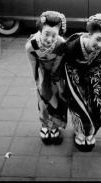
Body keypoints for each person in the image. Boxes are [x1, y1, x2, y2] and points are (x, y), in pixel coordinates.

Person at [55, 13, 101, 152]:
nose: (100, 45)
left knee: (96, 103)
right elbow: (60, 62)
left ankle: (91, 131)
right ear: (90, 34)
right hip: (72, 74)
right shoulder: (72, 46)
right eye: (98, 39)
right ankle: (80, 132)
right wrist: (60, 84)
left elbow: (96, 67)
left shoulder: (100, 51)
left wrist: (93, 84)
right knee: (77, 105)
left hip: (91, 74)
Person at [25, 10, 67, 144]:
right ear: (40, 30)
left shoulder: (61, 44)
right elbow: (33, 63)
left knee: (57, 98)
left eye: (53, 35)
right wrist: (37, 80)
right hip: (42, 71)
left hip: (56, 73)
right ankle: (44, 125)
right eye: (46, 34)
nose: (49, 39)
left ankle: (54, 126)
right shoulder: (32, 45)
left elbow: (59, 63)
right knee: (42, 99)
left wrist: (55, 78)